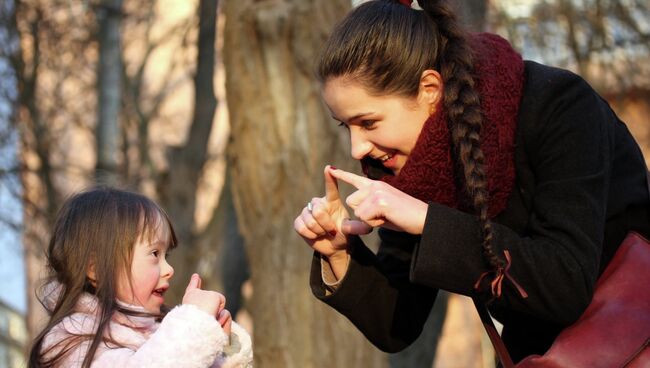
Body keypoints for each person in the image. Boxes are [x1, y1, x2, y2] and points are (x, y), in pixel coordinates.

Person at [293, 0, 650, 363]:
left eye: (368, 123)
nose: (356, 148)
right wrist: (338, 253)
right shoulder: (412, 173)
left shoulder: (560, 107)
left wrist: (427, 220)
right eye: (345, 126)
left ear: (430, 89)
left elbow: (565, 283)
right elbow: (397, 323)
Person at [28, 187, 253, 368]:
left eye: (167, 255)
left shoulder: (159, 335)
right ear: (95, 270)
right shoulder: (69, 342)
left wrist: (220, 351)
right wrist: (195, 324)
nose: (169, 269)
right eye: (155, 254)